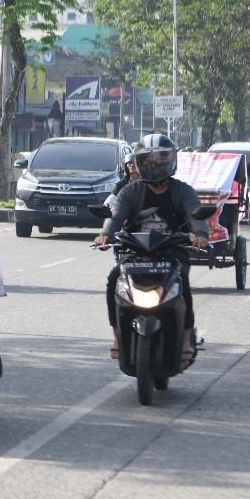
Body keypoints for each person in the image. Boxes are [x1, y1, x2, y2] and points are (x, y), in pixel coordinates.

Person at [94, 134, 210, 360]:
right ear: (138, 163)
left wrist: (200, 235)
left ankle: (186, 338)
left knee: (183, 283)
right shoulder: (130, 191)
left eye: (159, 159)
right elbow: (116, 216)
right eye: (147, 160)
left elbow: (195, 213)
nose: (153, 165)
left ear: (171, 160)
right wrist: (105, 235)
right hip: (135, 253)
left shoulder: (182, 191)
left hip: (172, 252)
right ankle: (118, 336)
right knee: (113, 280)